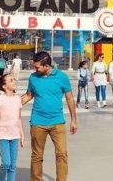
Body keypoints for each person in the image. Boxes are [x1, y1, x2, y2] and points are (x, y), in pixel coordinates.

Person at [21, 51, 77, 181]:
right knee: (37, 156)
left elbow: (69, 98)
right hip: (38, 122)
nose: (34, 69)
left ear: (46, 66)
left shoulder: (62, 77)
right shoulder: (33, 77)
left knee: (62, 153)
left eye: (37, 67)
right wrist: (13, 103)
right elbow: (29, 95)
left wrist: (73, 120)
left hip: (57, 122)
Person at [0, 74, 23, 181]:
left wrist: (22, 135)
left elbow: (19, 118)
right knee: (6, 163)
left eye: (14, 79)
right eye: (11, 80)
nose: (14, 82)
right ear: (4, 86)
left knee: (12, 165)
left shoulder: (18, 99)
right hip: (3, 136)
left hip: (15, 136)